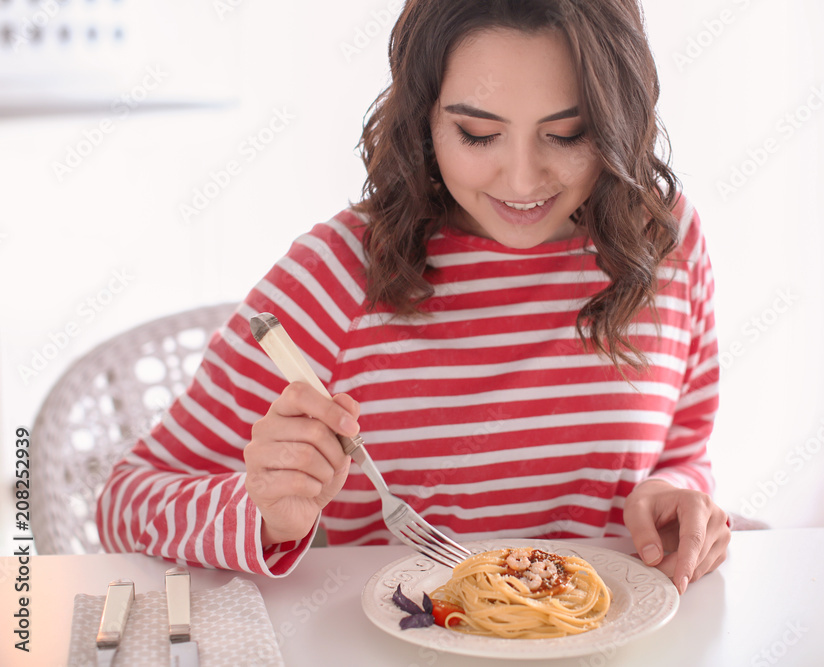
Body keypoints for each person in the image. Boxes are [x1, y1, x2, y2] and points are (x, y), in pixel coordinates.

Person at [97, 0, 730, 595]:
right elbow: (124, 505)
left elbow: (683, 451)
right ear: (423, 120)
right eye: (478, 134)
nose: (521, 180)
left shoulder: (663, 242)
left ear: (621, 117)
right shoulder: (337, 276)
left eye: (566, 134)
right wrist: (260, 514)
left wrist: (674, 494)